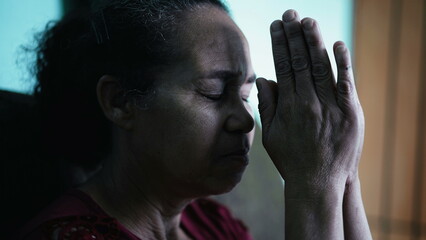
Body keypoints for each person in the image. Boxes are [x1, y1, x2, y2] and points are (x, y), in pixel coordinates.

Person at [18, 0, 372, 239]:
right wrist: (312, 182)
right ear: (121, 101)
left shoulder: (214, 225)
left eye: (246, 95)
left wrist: (343, 167)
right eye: (215, 92)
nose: (246, 122)